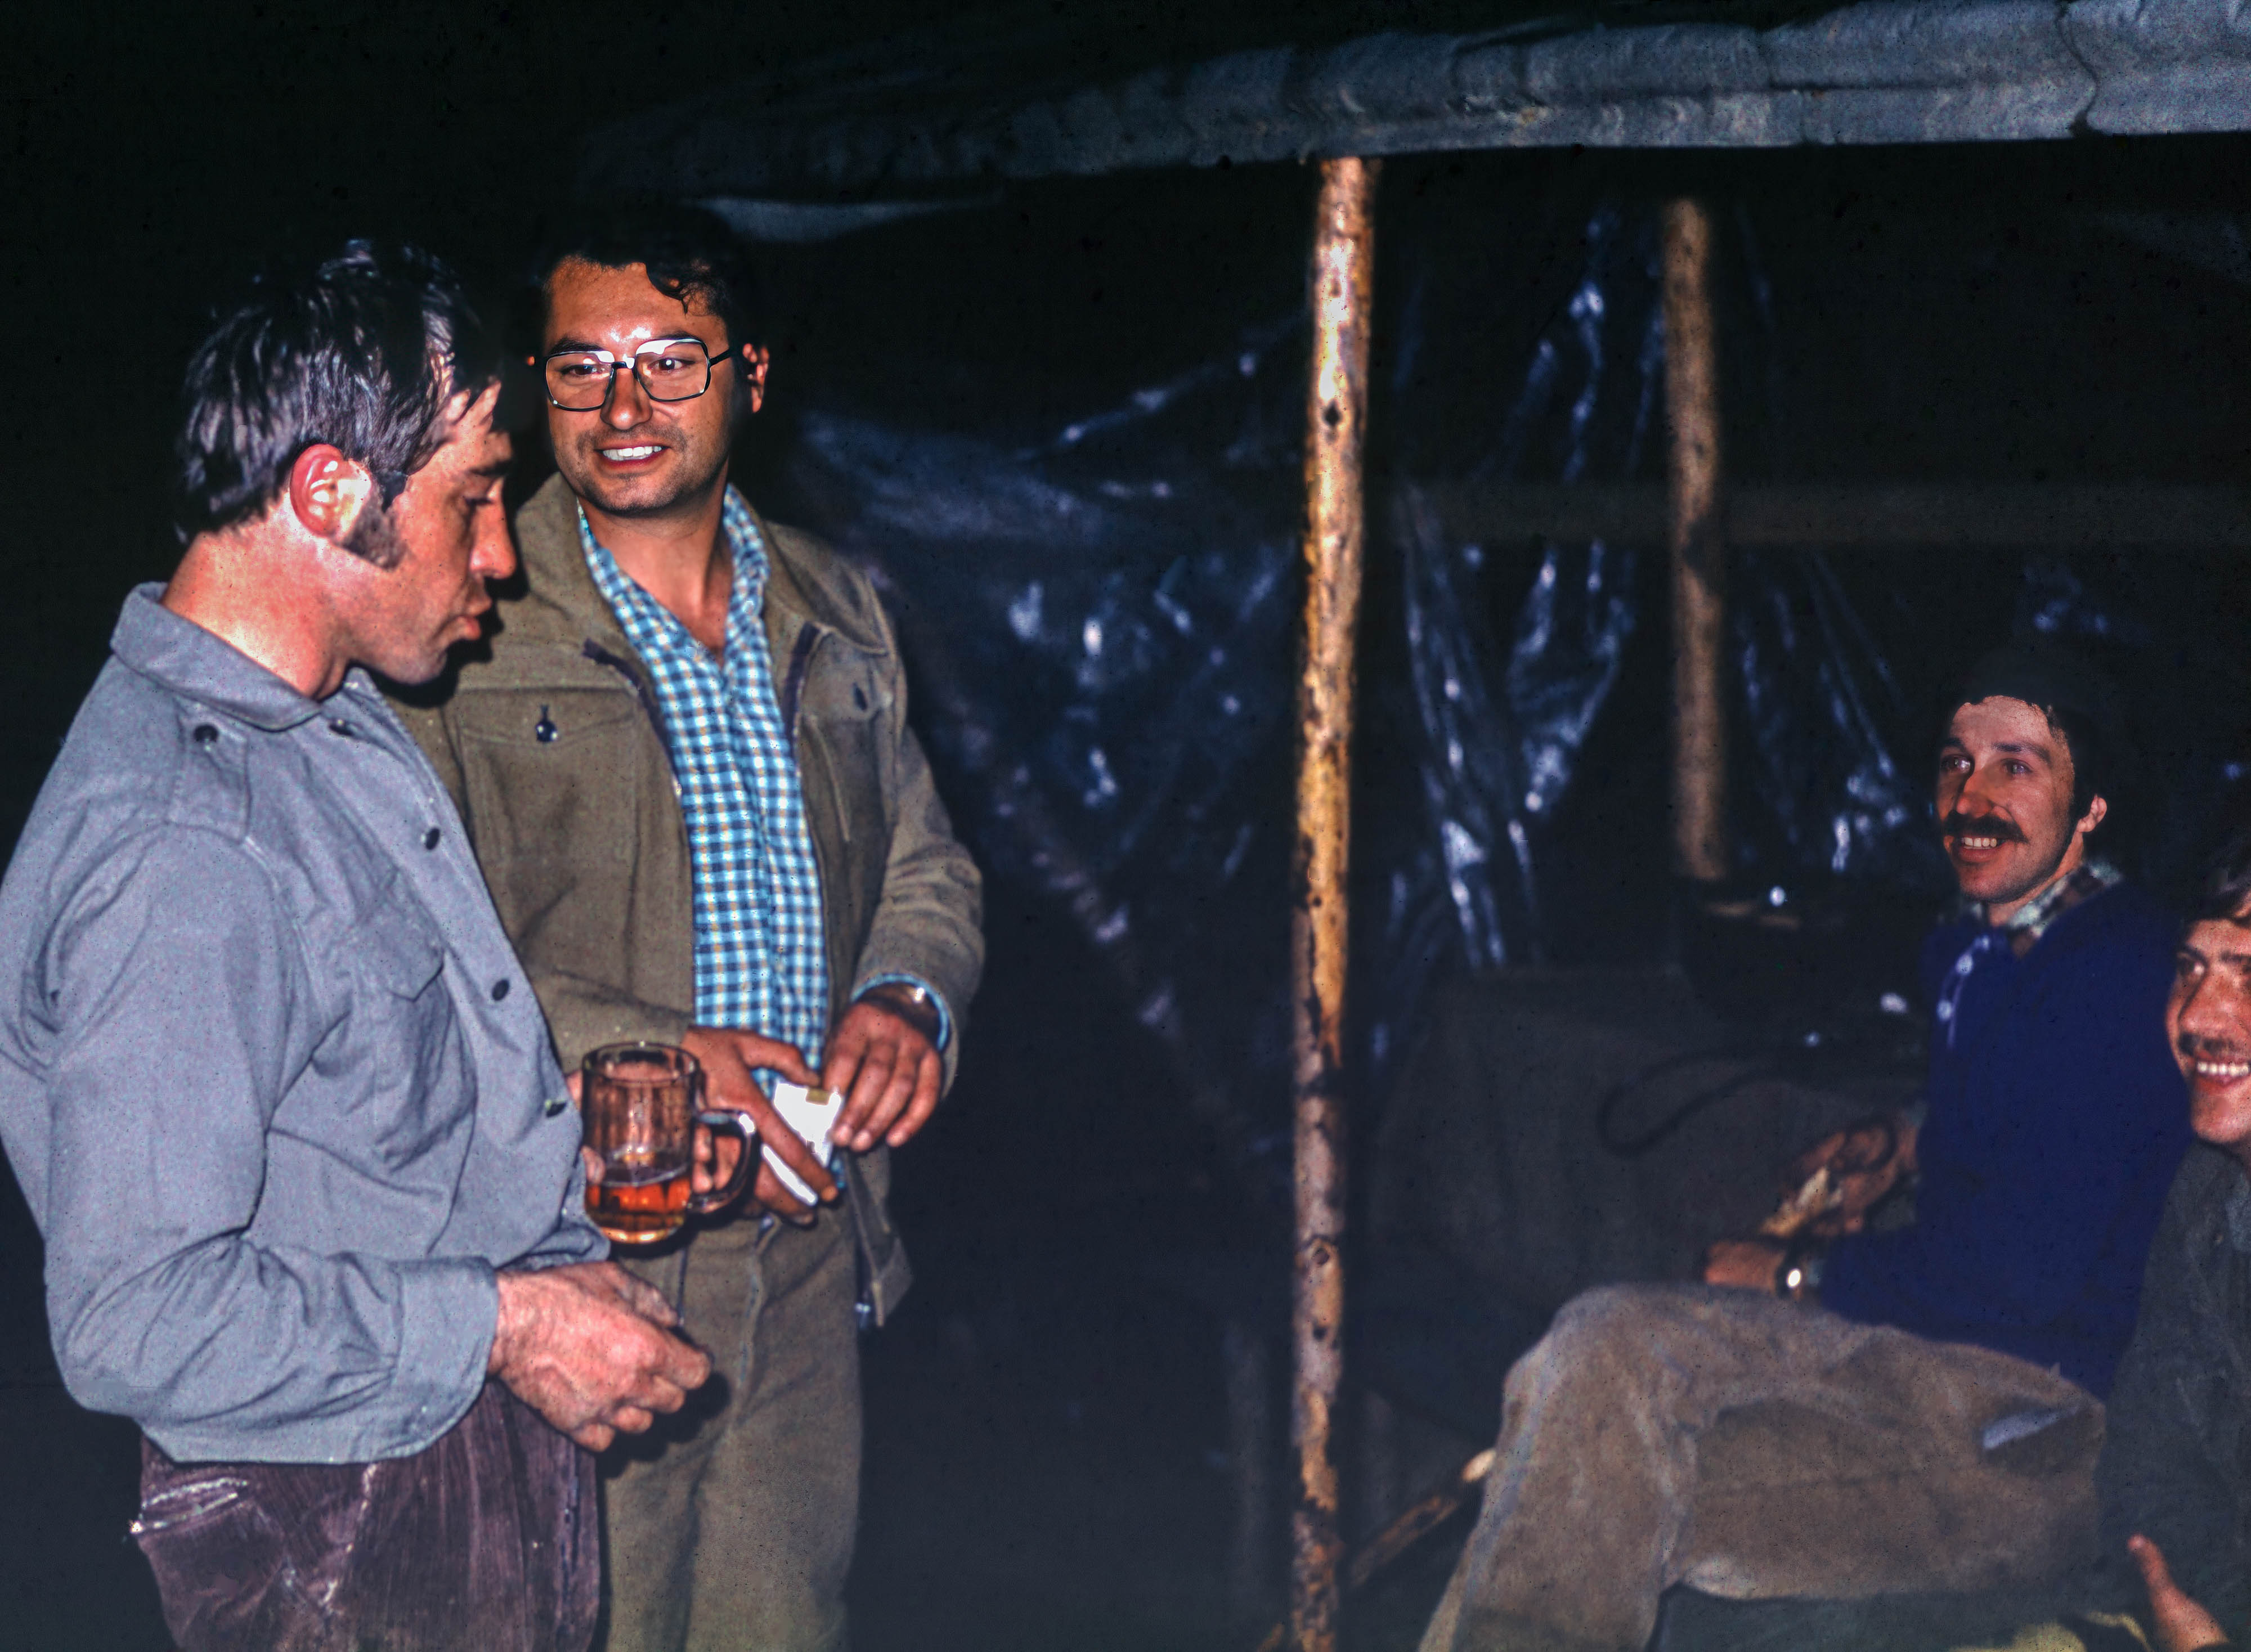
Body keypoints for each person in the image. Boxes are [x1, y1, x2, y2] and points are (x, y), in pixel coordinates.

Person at [0, 243, 714, 1652]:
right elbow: (137, 1318)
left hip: (429, 1489)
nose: (501, 553)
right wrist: (512, 1327)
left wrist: (534, 1147)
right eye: (474, 495)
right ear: (330, 491)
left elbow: (345, 1107)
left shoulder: (319, 717)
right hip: (337, 1532)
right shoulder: (183, 843)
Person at [398, 205, 983, 1652]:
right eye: (581, 367)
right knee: (573, 1624)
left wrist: (906, 996)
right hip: (582, 1246)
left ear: (751, 376)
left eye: (670, 361)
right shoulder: (466, 617)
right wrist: (653, 1058)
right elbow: (407, 937)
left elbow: (927, 860)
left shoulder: (837, 606)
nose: (623, 408)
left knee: (782, 1622)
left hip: (807, 1239)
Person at [1420, 639, 2191, 1652]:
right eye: (1955, 762)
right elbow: (2047, 1117)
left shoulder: (2120, 973)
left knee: (1587, 1466)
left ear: (2091, 808)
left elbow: (2021, 1274)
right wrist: (1906, 1139)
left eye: (2018, 765)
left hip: (2039, 1425)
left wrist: (1799, 1275)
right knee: (1598, 1359)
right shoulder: (1990, 941)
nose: (1972, 796)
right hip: (1936, 1363)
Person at [2096, 832, 2251, 1652]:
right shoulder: (2208, 1197)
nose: (2198, 1018)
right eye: (2190, 970)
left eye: (2250, 976)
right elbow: (2147, 1464)